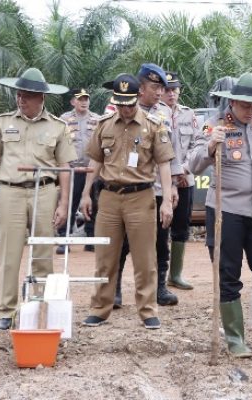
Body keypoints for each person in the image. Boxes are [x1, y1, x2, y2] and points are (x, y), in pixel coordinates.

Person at [187, 72, 252, 357]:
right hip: (226, 211)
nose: (251, 111)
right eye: (246, 105)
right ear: (233, 102)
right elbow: (193, 164)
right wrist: (211, 147)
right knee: (227, 274)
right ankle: (235, 339)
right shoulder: (215, 125)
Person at [79, 73, 175, 329]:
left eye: (130, 103)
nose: (125, 109)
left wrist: (167, 200)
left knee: (145, 258)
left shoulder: (154, 126)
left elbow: (164, 165)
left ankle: (147, 310)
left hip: (141, 197)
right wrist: (86, 193)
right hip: (109, 198)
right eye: (120, 103)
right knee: (105, 257)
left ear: (139, 97)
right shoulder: (105, 124)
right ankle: (100, 308)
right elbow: (96, 161)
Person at [0, 68, 77, 330]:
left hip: (45, 191)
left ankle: (38, 307)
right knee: (9, 254)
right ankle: (7, 310)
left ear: (41, 98)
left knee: (42, 253)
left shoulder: (58, 127)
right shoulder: (3, 122)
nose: (20, 99)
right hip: (10, 191)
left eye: (26, 95)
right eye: (19, 95)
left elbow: (65, 167)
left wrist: (63, 203)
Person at [115, 63, 181, 308]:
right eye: (155, 87)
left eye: (162, 88)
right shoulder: (120, 109)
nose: (160, 92)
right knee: (122, 242)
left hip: (156, 189)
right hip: (128, 188)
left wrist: (171, 187)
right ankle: (115, 290)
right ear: (140, 88)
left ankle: (160, 287)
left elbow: (173, 153)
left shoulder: (164, 114)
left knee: (160, 240)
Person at [161, 71, 198, 290]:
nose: (171, 93)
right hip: (162, 181)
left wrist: (184, 170)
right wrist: (173, 175)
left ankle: (175, 274)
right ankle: (159, 275)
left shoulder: (189, 114)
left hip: (186, 178)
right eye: (167, 89)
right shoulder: (156, 113)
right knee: (160, 227)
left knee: (181, 226)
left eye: (174, 89)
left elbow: (196, 144)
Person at [55, 88, 100, 254]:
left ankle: (91, 238)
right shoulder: (64, 120)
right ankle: (63, 238)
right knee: (68, 204)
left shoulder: (97, 119)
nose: (84, 101)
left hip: (92, 169)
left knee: (94, 205)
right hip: (72, 170)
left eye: (86, 98)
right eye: (80, 99)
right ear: (73, 101)